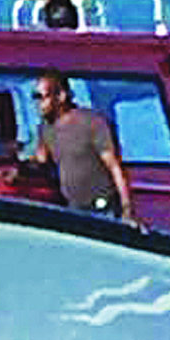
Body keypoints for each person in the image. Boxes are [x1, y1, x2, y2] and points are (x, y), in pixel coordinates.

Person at [26, 69, 141, 225]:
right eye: (35, 98)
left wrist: (127, 210)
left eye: (41, 97)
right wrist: (17, 170)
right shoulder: (46, 128)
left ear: (61, 96)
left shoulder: (91, 122)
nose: (38, 104)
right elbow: (40, 161)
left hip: (102, 207)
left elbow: (114, 166)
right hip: (73, 209)